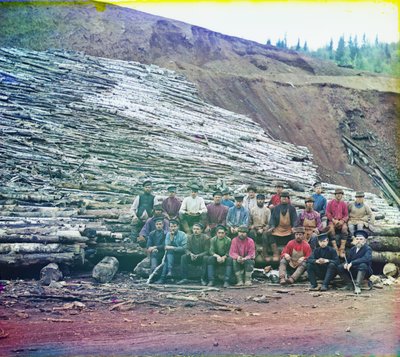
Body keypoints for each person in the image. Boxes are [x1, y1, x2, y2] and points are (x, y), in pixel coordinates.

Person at [337, 230, 373, 294]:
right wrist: (346, 264)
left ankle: (357, 286)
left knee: (363, 265)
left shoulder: (368, 249)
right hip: (354, 270)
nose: (359, 241)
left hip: (365, 271)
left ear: (365, 241)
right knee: (340, 267)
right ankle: (349, 284)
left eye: (361, 239)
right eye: (357, 239)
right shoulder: (353, 249)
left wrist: (352, 263)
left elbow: (366, 258)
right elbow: (348, 260)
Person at [266, 191, 297, 261]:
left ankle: (290, 253)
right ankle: (275, 252)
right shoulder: (276, 208)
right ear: (280, 199)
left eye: (286, 197)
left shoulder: (292, 208)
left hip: (288, 229)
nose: (284, 199)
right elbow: (272, 219)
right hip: (278, 229)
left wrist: (294, 227)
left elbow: (295, 219)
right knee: (270, 234)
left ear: (288, 199)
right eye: (282, 197)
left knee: (294, 235)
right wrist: (272, 226)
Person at [156, 220, 187, 284]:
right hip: (171, 255)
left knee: (169, 255)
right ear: (169, 227)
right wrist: (171, 238)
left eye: (175, 226)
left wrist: (173, 248)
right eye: (171, 226)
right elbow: (167, 246)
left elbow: (184, 248)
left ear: (178, 227)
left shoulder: (183, 235)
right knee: (167, 257)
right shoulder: (168, 234)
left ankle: (165, 275)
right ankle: (166, 275)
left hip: (181, 254)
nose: (173, 228)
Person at [326, 188, 349, 258]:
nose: (339, 196)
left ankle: (342, 248)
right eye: (337, 194)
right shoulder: (330, 203)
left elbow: (346, 215)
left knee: (345, 229)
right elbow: (327, 213)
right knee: (331, 230)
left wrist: (342, 221)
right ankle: (335, 248)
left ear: (342, 196)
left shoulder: (344, 204)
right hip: (333, 221)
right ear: (335, 195)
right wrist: (333, 220)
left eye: (340, 194)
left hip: (341, 221)